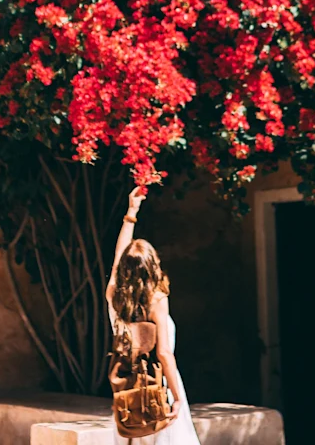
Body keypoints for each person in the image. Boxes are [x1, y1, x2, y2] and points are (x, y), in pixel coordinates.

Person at [106, 187, 201, 445]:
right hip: (156, 386)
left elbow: (117, 261)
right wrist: (178, 397)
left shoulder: (114, 294)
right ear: (153, 266)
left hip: (128, 389)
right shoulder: (156, 300)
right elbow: (164, 354)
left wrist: (131, 213)